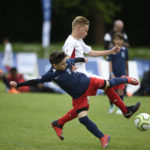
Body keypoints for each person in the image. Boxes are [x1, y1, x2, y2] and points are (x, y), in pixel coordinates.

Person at [10, 51, 140, 148]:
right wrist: (18, 84)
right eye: (62, 64)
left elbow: (73, 59)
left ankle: (126, 79)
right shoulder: (51, 75)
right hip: (78, 96)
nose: (65, 64)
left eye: (65, 62)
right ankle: (103, 137)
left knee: (108, 84)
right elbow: (34, 81)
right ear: (54, 65)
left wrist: (81, 59)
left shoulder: (66, 62)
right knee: (83, 118)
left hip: (89, 82)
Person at [53, 16, 133, 141]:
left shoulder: (79, 40)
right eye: (85, 30)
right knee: (106, 85)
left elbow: (91, 52)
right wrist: (71, 66)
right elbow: (66, 58)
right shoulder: (70, 42)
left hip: (83, 78)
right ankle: (125, 108)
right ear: (78, 27)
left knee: (83, 109)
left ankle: (59, 123)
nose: (86, 33)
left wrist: (111, 51)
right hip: (79, 80)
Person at [107, 32, 129, 114]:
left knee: (121, 91)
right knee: (112, 91)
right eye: (116, 39)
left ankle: (120, 108)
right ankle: (111, 106)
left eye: (120, 39)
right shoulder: (112, 50)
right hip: (113, 74)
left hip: (122, 74)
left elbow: (126, 62)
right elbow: (110, 63)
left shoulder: (125, 50)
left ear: (122, 41)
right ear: (113, 40)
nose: (118, 41)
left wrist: (127, 73)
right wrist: (111, 73)